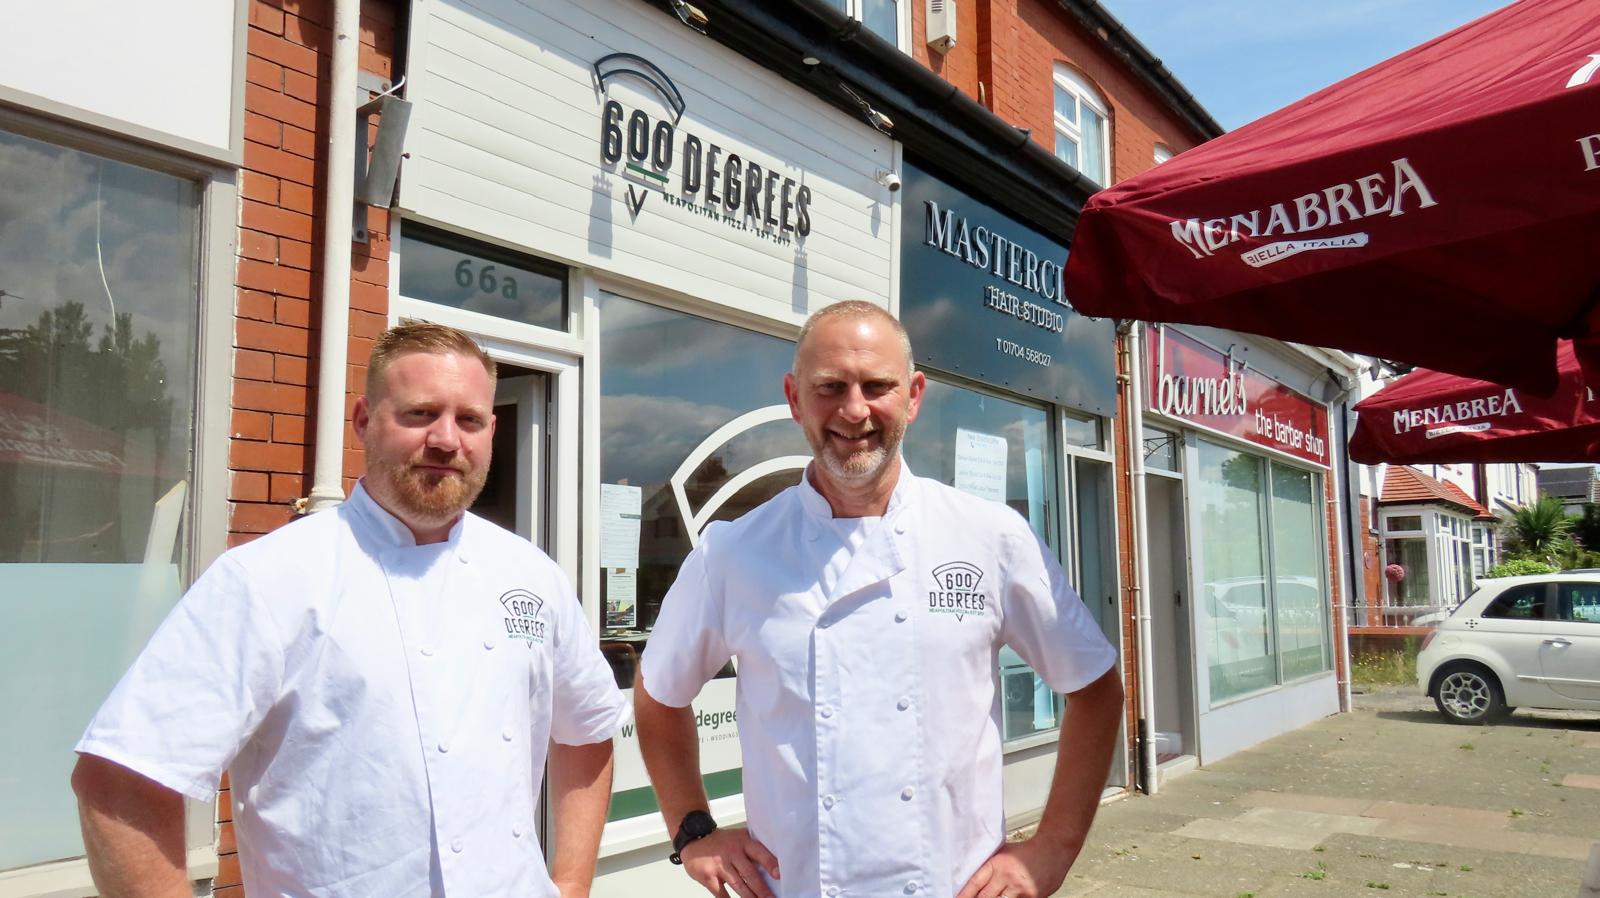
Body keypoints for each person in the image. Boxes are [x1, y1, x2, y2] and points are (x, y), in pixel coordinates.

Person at [71, 323, 627, 898]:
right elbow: (118, 782)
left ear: (492, 430)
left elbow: (587, 728)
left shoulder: (530, 575)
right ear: (363, 420)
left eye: (469, 420)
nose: (445, 439)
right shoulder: (270, 580)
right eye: (419, 414)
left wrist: (572, 881)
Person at [634, 301, 1124, 898]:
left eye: (877, 386)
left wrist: (1052, 847)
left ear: (914, 396)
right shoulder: (731, 553)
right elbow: (658, 697)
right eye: (830, 387)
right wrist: (692, 830)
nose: (854, 410)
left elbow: (1095, 687)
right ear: (794, 398)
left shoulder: (989, 536)